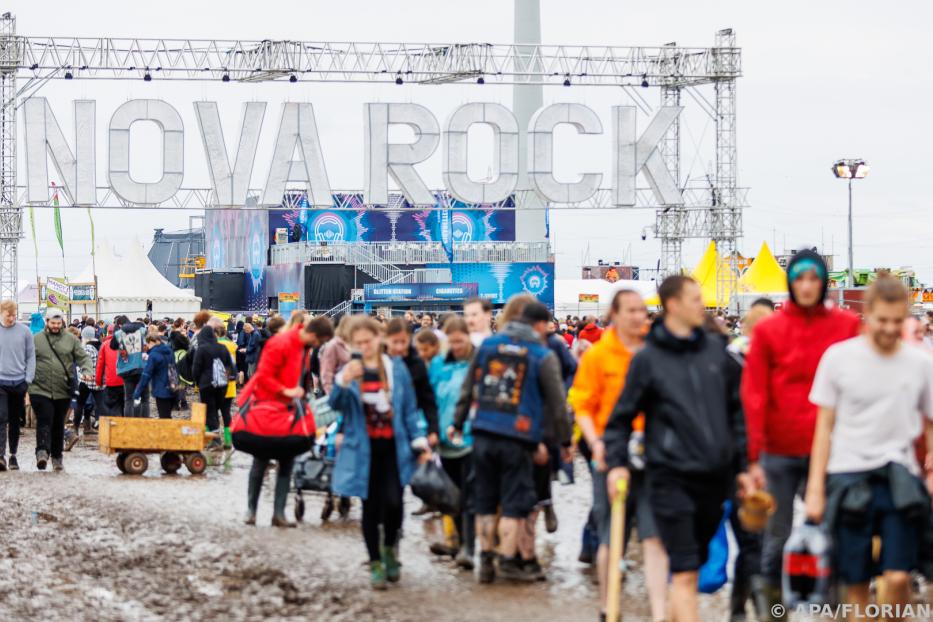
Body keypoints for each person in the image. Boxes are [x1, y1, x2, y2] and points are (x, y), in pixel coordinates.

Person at [604, 276, 752, 622]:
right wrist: (617, 464)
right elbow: (620, 419)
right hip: (670, 478)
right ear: (672, 305)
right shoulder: (648, 360)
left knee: (693, 570)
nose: (703, 305)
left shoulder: (719, 354)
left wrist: (743, 467)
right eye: (696, 299)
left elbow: (738, 415)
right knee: (685, 573)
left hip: (715, 482)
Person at [741, 249, 860, 615]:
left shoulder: (846, 325)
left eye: (813, 278)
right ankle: (771, 607)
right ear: (790, 282)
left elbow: (859, 385)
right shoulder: (769, 330)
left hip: (831, 450)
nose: (806, 286)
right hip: (779, 449)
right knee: (776, 535)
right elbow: (754, 392)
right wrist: (753, 455)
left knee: (833, 531)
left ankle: (834, 605)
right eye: (799, 279)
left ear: (823, 282)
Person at [805, 276, 933, 618]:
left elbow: (931, 421)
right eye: (882, 321)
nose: (890, 329)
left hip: (899, 477)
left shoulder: (920, 363)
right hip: (848, 476)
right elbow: (823, 426)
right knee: (856, 582)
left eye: (897, 321)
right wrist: (816, 489)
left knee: (898, 575)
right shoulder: (838, 358)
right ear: (867, 316)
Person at [451, 298, 570, 584]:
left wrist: (457, 422)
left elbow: (468, 389)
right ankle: (507, 560)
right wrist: (564, 442)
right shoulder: (542, 355)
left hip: (482, 432)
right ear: (540, 325)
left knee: (485, 501)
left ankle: (485, 561)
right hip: (518, 437)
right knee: (515, 504)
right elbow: (558, 404)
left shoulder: (487, 347)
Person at [571, 289, 668, 622]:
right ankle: (607, 607)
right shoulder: (598, 356)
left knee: (655, 537)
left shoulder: (655, 353)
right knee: (611, 536)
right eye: (630, 310)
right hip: (611, 455)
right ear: (614, 313)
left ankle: (659, 612)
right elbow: (581, 405)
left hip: (653, 455)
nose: (638, 316)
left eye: (642, 310)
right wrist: (597, 444)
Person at [329, 315, 431, 589]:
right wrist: (342, 382)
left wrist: (419, 440)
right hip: (364, 449)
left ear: (379, 338)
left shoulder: (395, 368)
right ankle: (375, 562)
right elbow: (336, 405)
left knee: (395, 503)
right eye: (358, 342)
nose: (364, 346)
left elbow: (409, 408)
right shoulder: (351, 371)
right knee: (370, 507)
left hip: (393, 448)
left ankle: (389, 548)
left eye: (368, 340)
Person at [240, 318, 318, 528]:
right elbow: (264, 376)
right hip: (269, 407)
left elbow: (303, 379)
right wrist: (286, 391)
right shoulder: (281, 344)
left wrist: (302, 396)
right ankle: (252, 511)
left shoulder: (303, 350)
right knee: (261, 459)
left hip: (291, 409)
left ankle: (278, 513)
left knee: (287, 461)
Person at [426, 316, 476, 568]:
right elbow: (429, 399)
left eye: (461, 341)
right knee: (451, 495)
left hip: (471, 438)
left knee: (468, 494)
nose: (457, 346)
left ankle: (469, 546)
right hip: (445, 440)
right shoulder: (438, 365)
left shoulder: (477, 363)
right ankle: (458, 542)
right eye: (452, 341)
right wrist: (430, 430)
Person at [31, 308, 92, 471]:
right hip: (39, 388)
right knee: (44, 419)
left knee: (58, 424)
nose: (56, 326)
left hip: (63, 389)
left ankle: (57, 457)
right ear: (47, 322)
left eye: (59, 323)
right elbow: (26, 360)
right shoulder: (36, 340)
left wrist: (87, 370)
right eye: (53, 323)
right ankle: (42, 452)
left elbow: (83, 357)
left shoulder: (70, 339)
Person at [385, 319, 439, 447]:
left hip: (410, 425)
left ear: (409, 339)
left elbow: (428, 399)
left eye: (403, 342)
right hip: (383, 426)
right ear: (386, 340)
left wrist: (433, 429)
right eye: (395, 342)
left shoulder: (417, 364)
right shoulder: (380, 361)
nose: (399, 347)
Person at [0, 300, 35, 471]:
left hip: (19, 381)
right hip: (0, 381)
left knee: (15, 420)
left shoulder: (25, 331)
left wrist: (28, 379)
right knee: (1, 417)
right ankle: (0, 456)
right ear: (1, 313)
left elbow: (31, 356)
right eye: (8, 315)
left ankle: (13, 455)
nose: (12, 319)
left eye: (14, 315)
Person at [191, 325, 235, 441]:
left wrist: (197, 382)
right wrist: (228, 379)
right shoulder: (222, 347)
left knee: (210, 411)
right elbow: (230, 366)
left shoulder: (202, 349)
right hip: (222, 385)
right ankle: (226, 439)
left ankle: (215, 440)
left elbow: (196, 369)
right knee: (219, 410)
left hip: (206, 385)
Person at [109, 315, 149, 417]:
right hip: (142, 367)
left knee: (128, 399)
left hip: (127, 369)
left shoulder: (118, 334)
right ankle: (145, 422)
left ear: (119, 325)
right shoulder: (142, 330)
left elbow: (112, 346)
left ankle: (128, 423)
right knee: (145, 398)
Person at [132, 333, 177, 420]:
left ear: (151, 342)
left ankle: (167, 433)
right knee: (167, 416)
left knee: (164, 417)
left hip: (161, 390)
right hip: (172, 387)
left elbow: (146, 375)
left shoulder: (153, 355)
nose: (147, 346)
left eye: (148, 343)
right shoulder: (169, 351)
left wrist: (137, 393)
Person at [72, 326, 103, 438]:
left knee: (80, 404)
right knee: (100, 405)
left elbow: (84, 363)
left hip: (86, 380)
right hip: (99, 381)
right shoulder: (100, 345)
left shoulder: (87, 348)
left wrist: (82, 374)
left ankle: (76, 428)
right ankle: (87, 426)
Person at [216, 324, 238, 448]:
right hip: (230, 384)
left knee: (213, 413)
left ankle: (214, 440)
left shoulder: (215, 345)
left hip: (217, 383)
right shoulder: (232, 345)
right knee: (226, 413)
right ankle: (228, 440)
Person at [96, 325, 125, 418]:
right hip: (125, 380)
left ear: (107, 332)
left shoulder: (105, 345)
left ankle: (116, 426)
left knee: (113, 407)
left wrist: (98, 381)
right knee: (125, 405)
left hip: (111, 381)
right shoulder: (124, 343)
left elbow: (100, 364)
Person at [319, 316, 351, 395]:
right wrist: (331, 395)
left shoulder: (353, 343)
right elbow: (326, 372)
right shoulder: (333, 345)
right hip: (337, 392)